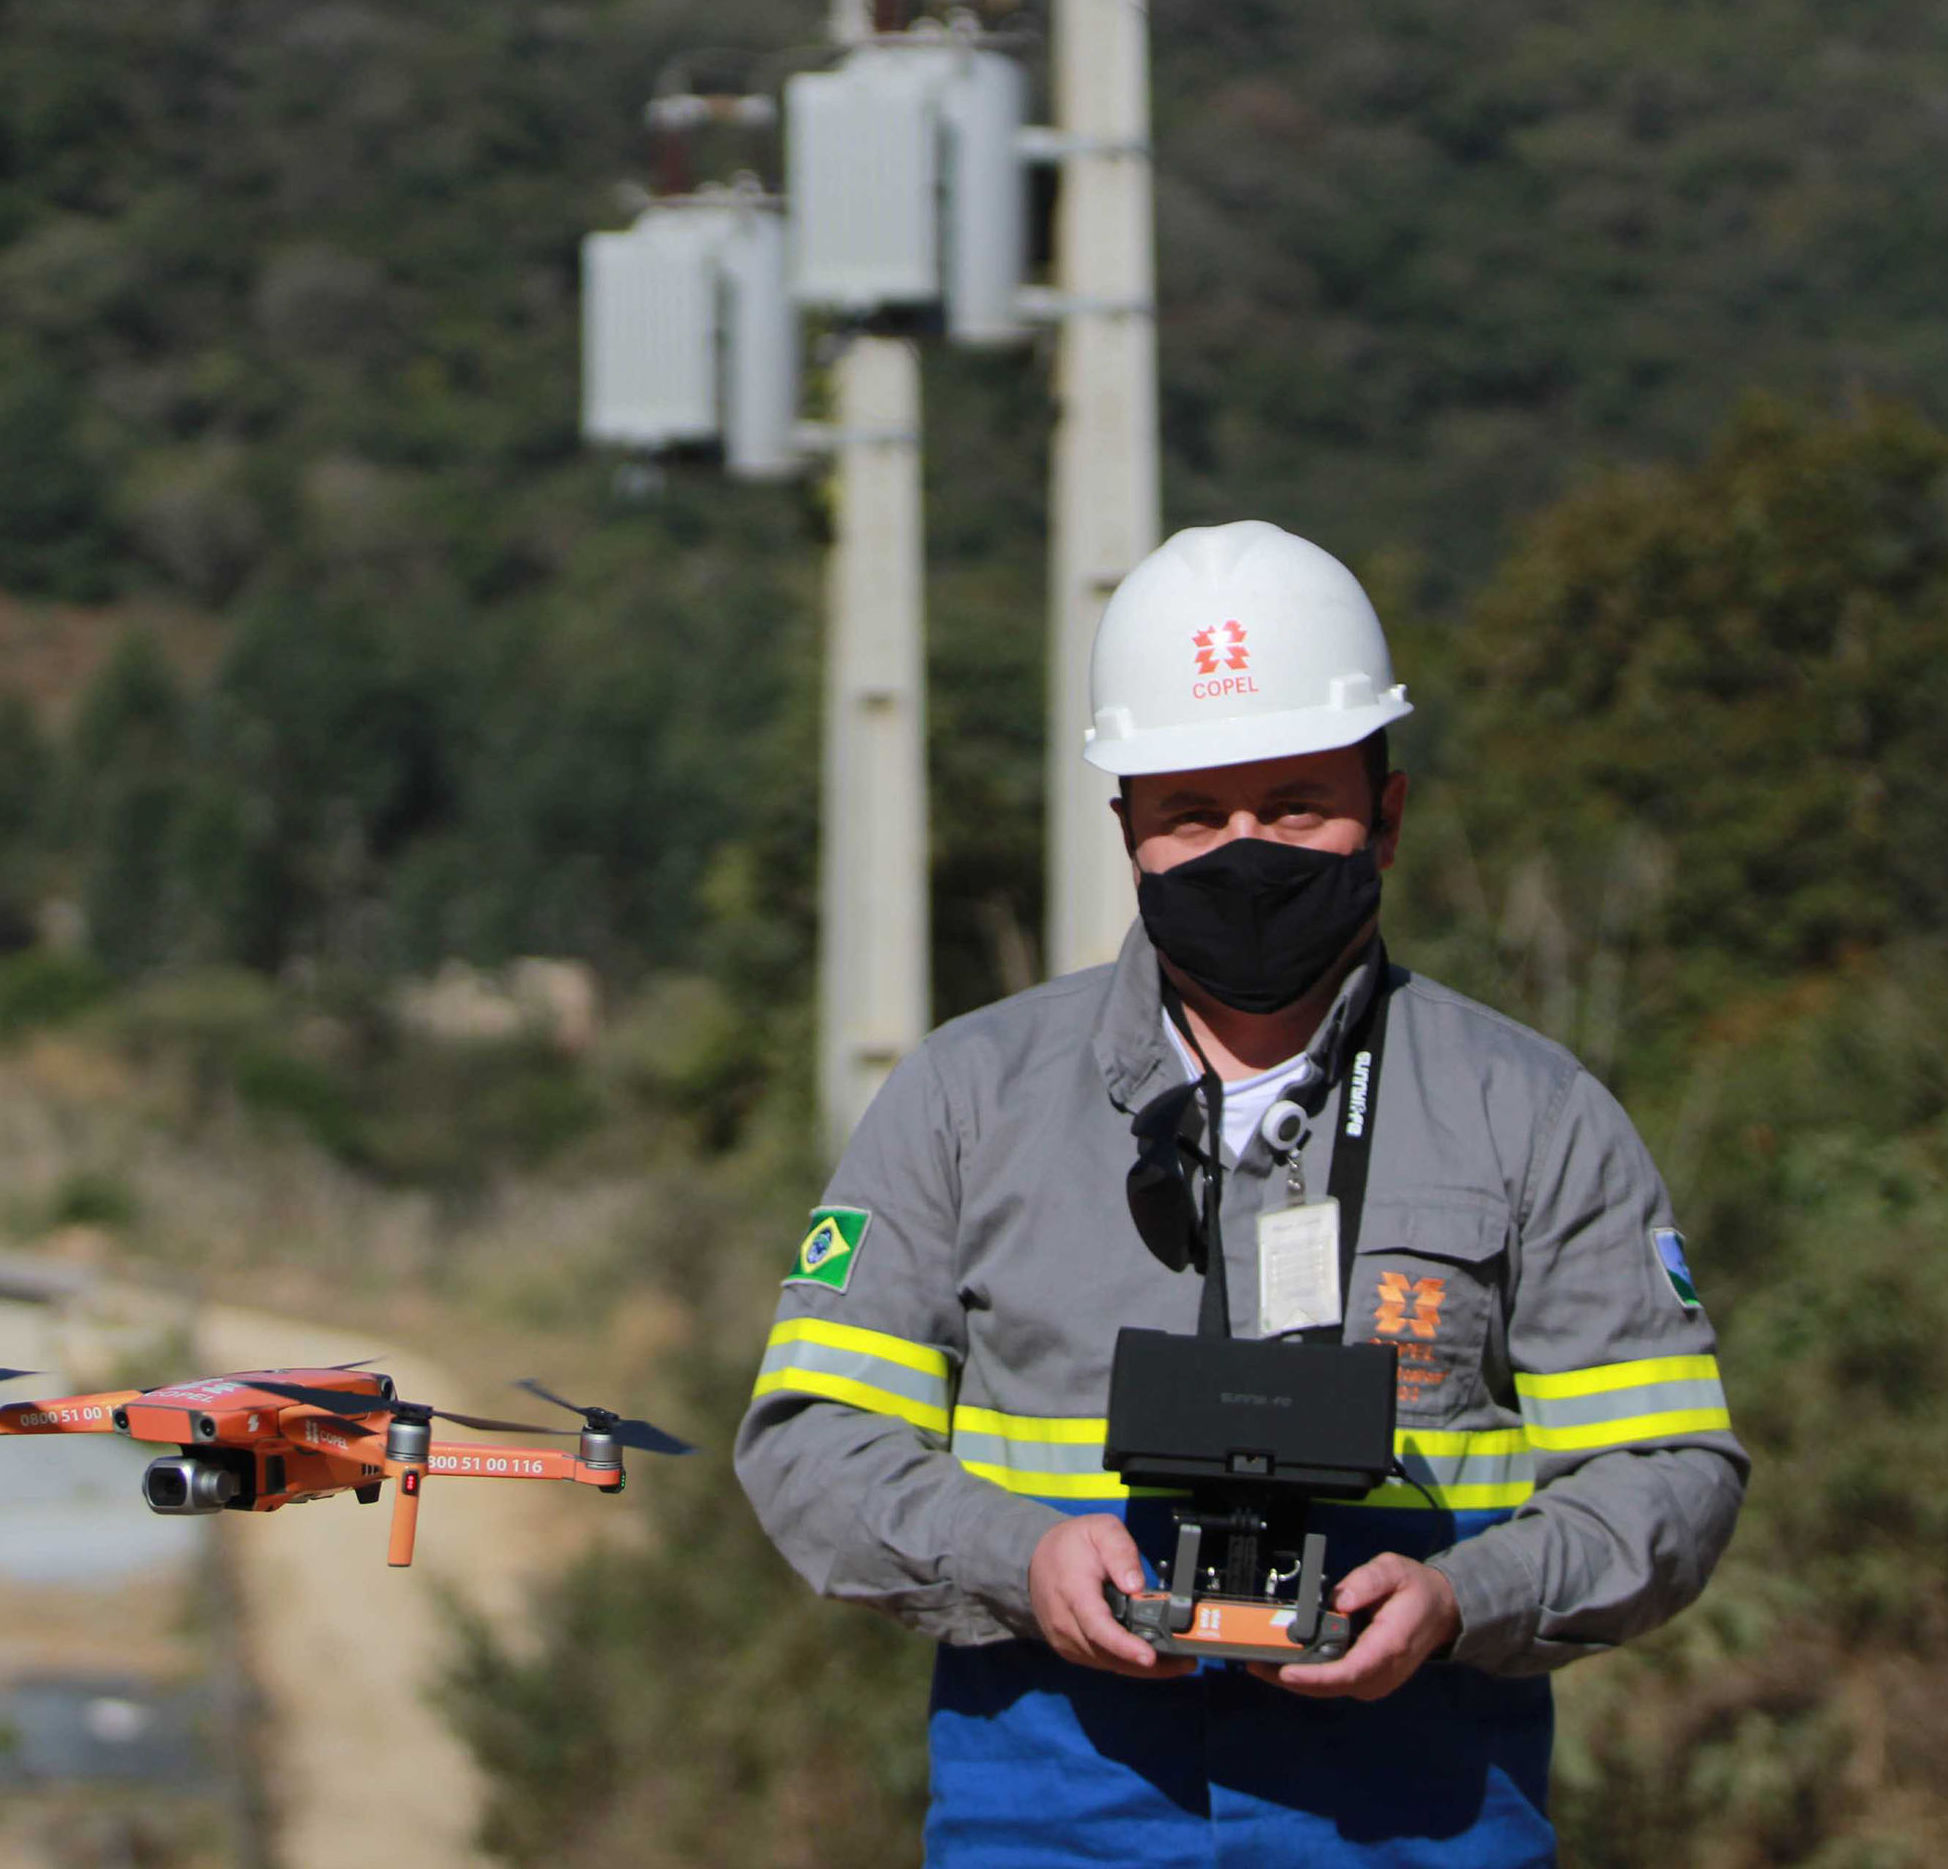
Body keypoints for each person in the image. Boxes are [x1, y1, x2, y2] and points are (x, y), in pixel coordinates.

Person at [735, 521, 1748, 1865]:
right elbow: (813, 1439)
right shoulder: (967, 1099)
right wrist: (1013, 1556)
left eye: (1293, 804)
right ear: (1127, 829)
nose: (1245, 851)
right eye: (1192, 815)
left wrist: (1462, 1597)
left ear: (1384, 815)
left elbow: (1669, 1471)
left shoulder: (1531, 1112)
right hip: (1054, 1814)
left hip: (1418, 1820)